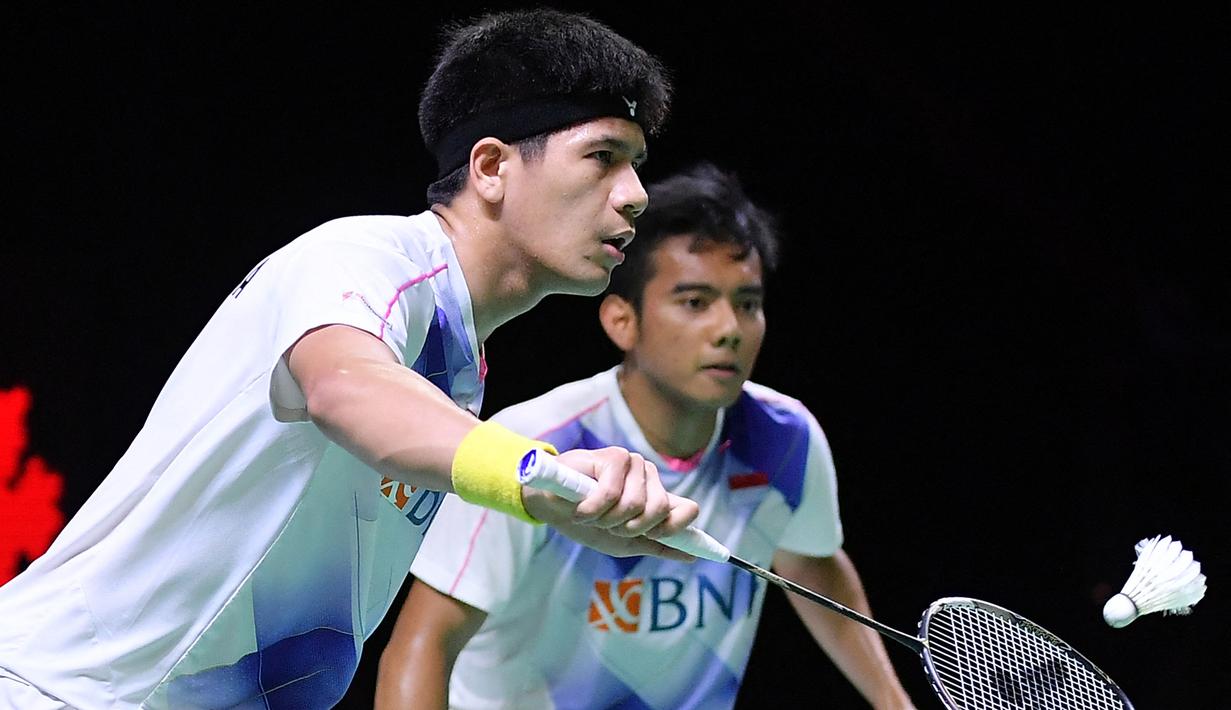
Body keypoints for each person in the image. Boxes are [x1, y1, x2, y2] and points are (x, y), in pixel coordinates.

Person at [0, 9, 702, 710]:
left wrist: (558, 508)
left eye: (636, 166)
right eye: (603, 156)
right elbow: (344, 386)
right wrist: (529, 478)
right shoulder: (363, 258)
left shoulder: (459, 364)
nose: (636, 196)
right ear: (491, 167)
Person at [375, 163, 917, 709]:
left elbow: (811, 560)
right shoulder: (533, 446)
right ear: (621, 321)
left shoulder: (785, 440)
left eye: (747, 304)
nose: (729, 328)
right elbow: (423, 645)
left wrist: (893, 703)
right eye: (695, 302)